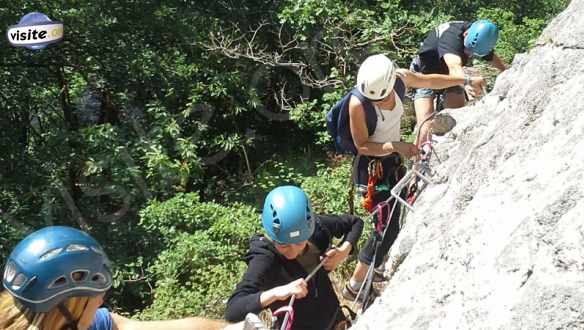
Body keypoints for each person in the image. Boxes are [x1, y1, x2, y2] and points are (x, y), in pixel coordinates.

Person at [340, 53, 483, 302]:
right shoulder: (357, 103)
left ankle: (376, 269)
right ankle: (354, 285)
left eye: (382, 96)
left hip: (393, 161)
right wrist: (395, 145)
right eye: (374, 98)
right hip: (372, 169)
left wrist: (457, 80)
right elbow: (362, 145)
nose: (380, 101)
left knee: (395, 219)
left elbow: (427, 81)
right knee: (385, 227)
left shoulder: (399, 79)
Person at [1, 226, 227, 330]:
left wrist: (229, 329)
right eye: (96, 295)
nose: (102, 300)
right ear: (71, 305)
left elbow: (145, 328)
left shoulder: (91, 324)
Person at [224, 185, 364, 330]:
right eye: (284, 245)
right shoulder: (265, 258)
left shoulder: (315, 230)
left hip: (335, 319)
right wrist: (277, 292)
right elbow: (233, 309)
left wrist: (342, 251)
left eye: (299, 242)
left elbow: (355, 223)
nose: (293, 251)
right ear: (272, 236)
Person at [410, 19, 507, 144]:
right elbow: (454, 68)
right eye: (468, 50)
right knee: (425, 128)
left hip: (451, 76)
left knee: (455, 121)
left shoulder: (479, 36)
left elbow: (490, 56)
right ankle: (418, 159)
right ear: (465, 34)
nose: (470, 54)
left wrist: (506, 72)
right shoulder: (451, 37)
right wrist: (468, 82)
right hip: (426, 76)